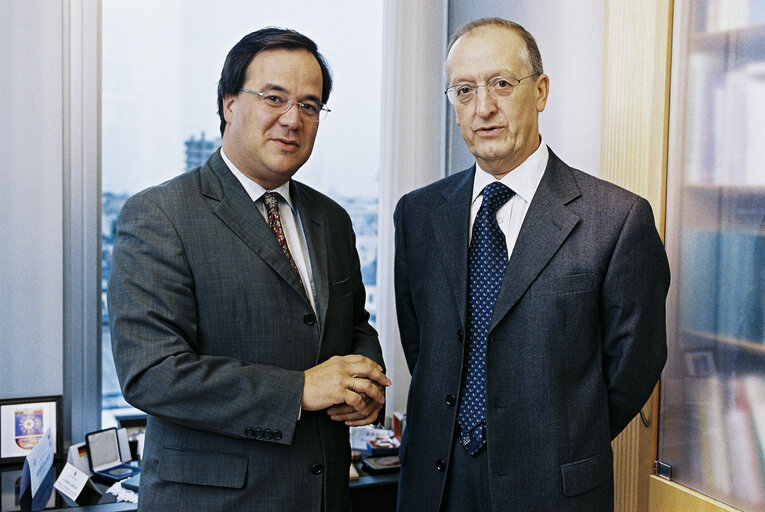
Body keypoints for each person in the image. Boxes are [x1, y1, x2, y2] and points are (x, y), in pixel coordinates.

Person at [108, 27, 389, 512]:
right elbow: (151, 373)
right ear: (229, 104)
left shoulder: (332, 220)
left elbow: (353, 326)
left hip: (324, 494)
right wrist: (300, 390)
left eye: (309, 105)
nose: (292, 119)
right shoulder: (160, 214)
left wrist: (364, 387)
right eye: (273, 98)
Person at [393, 18, 669, 511]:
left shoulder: (617, 219)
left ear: (540, 92)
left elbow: (634, 365)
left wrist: (565, 437)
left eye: (501, 84)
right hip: (435, 484)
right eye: (463, 90)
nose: (483, 108)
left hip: (553, 487)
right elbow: (424, 344)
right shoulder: (418, 213)